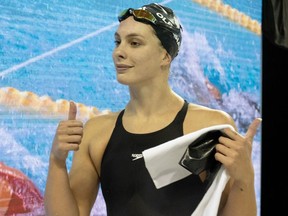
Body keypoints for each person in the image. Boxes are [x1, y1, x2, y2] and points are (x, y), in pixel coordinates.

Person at [44, 3, 261, 216]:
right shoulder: (96, 133)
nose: (119, 52)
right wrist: (57, 161)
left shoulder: (208, 126)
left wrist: (244, 178)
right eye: (118, 42)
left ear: (165, 56)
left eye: (134, 43)